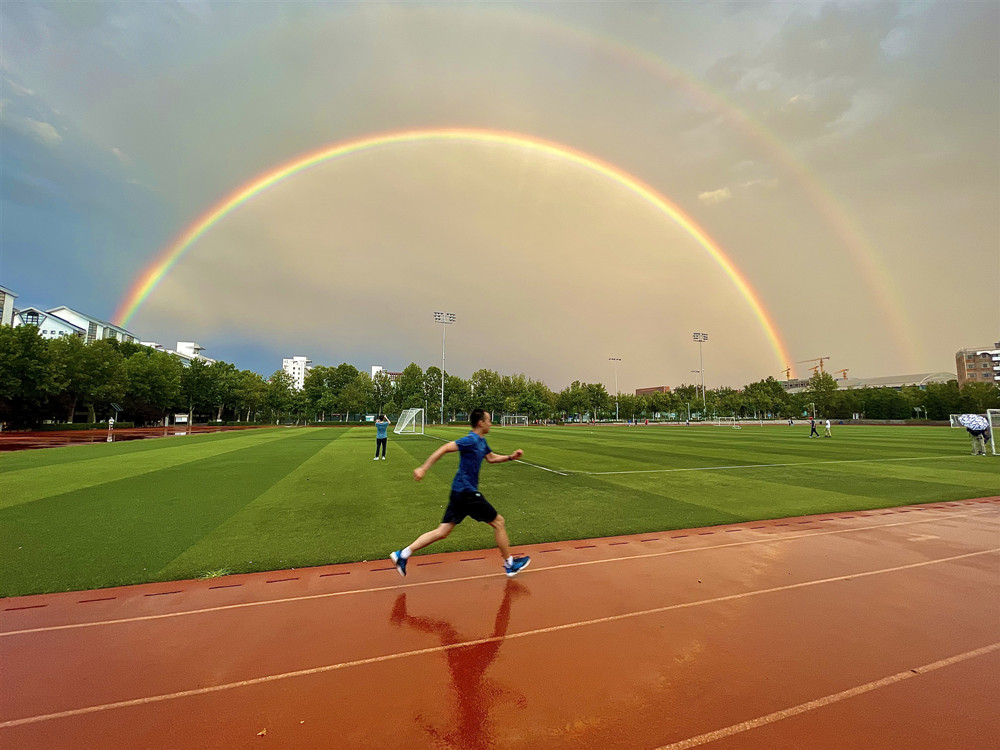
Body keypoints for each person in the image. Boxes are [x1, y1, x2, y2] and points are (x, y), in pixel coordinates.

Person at [390, 409, 530, 578]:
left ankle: (402, 554)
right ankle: (510, 563)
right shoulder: (470, 440)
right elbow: (444, 448)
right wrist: (423, 468)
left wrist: (510, 457)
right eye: (489, 420)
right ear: (481, 423)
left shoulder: (481, 441)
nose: (491, 423)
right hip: (467, 493)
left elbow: (491, 458)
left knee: (442, 532)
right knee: (499, 522)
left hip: (459, 492)